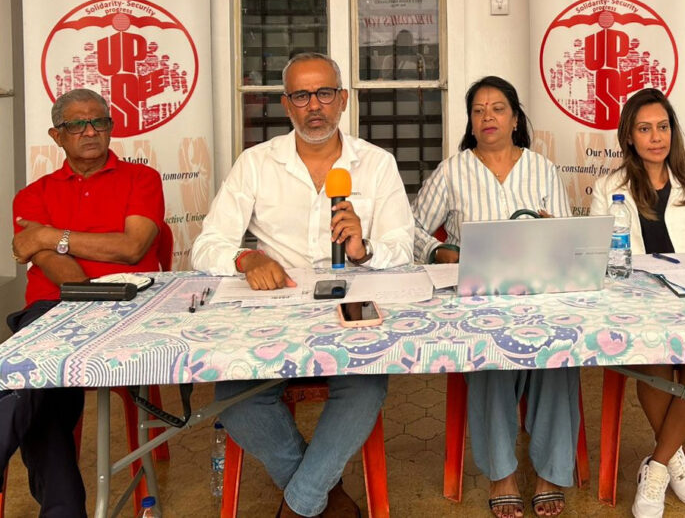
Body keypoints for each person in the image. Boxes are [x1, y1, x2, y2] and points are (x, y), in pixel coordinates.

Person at [191, 52, 414, 518]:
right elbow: (206, 246)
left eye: (324, 93)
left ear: (343, 100)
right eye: (301, 95)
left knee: (366, 387)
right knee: (234, 399)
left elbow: (403, 248)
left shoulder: (376, 164)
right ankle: (321, 496)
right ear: (286, 105)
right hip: (275, 313)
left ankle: (298, 506)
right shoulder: (256, 163)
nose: (314, 106)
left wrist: (364, 250)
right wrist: (246, 258)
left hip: (351, 309)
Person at [413, 76, 575, 518]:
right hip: (479, 298)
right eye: (479, 110)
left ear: (515, 119)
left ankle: (551, 472)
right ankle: (501, 473)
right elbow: (412, 228)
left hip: (538, 295)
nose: (488, 117)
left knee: (559, 357)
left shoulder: (542, 168)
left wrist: (553, 231)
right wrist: (438, 251)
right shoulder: (453, 171)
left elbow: (566, 237)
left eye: (498, 108)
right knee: (490, 356)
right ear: (470, 121)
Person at [4, 88, 165, 517]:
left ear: (111, 128)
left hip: (132, 307)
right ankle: (65, 509)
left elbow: (132, 247)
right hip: (52, 310)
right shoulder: (33, 195)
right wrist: (78, 253)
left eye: (100, 122)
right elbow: (61, 272)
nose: (90, 131)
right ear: (57, 135)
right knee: (35, 380)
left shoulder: (142, 179)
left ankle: (62, 510)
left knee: (34, 385)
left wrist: (51, 236)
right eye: (77, 124)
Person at [590, 88, 685, 518]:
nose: (656, 137)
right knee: (655, 360)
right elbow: (597, 256)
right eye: (644, 129)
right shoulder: (610, 187)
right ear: (629, 136)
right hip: (637, 304)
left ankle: (658, 464)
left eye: (662, 127)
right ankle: (673, 458)